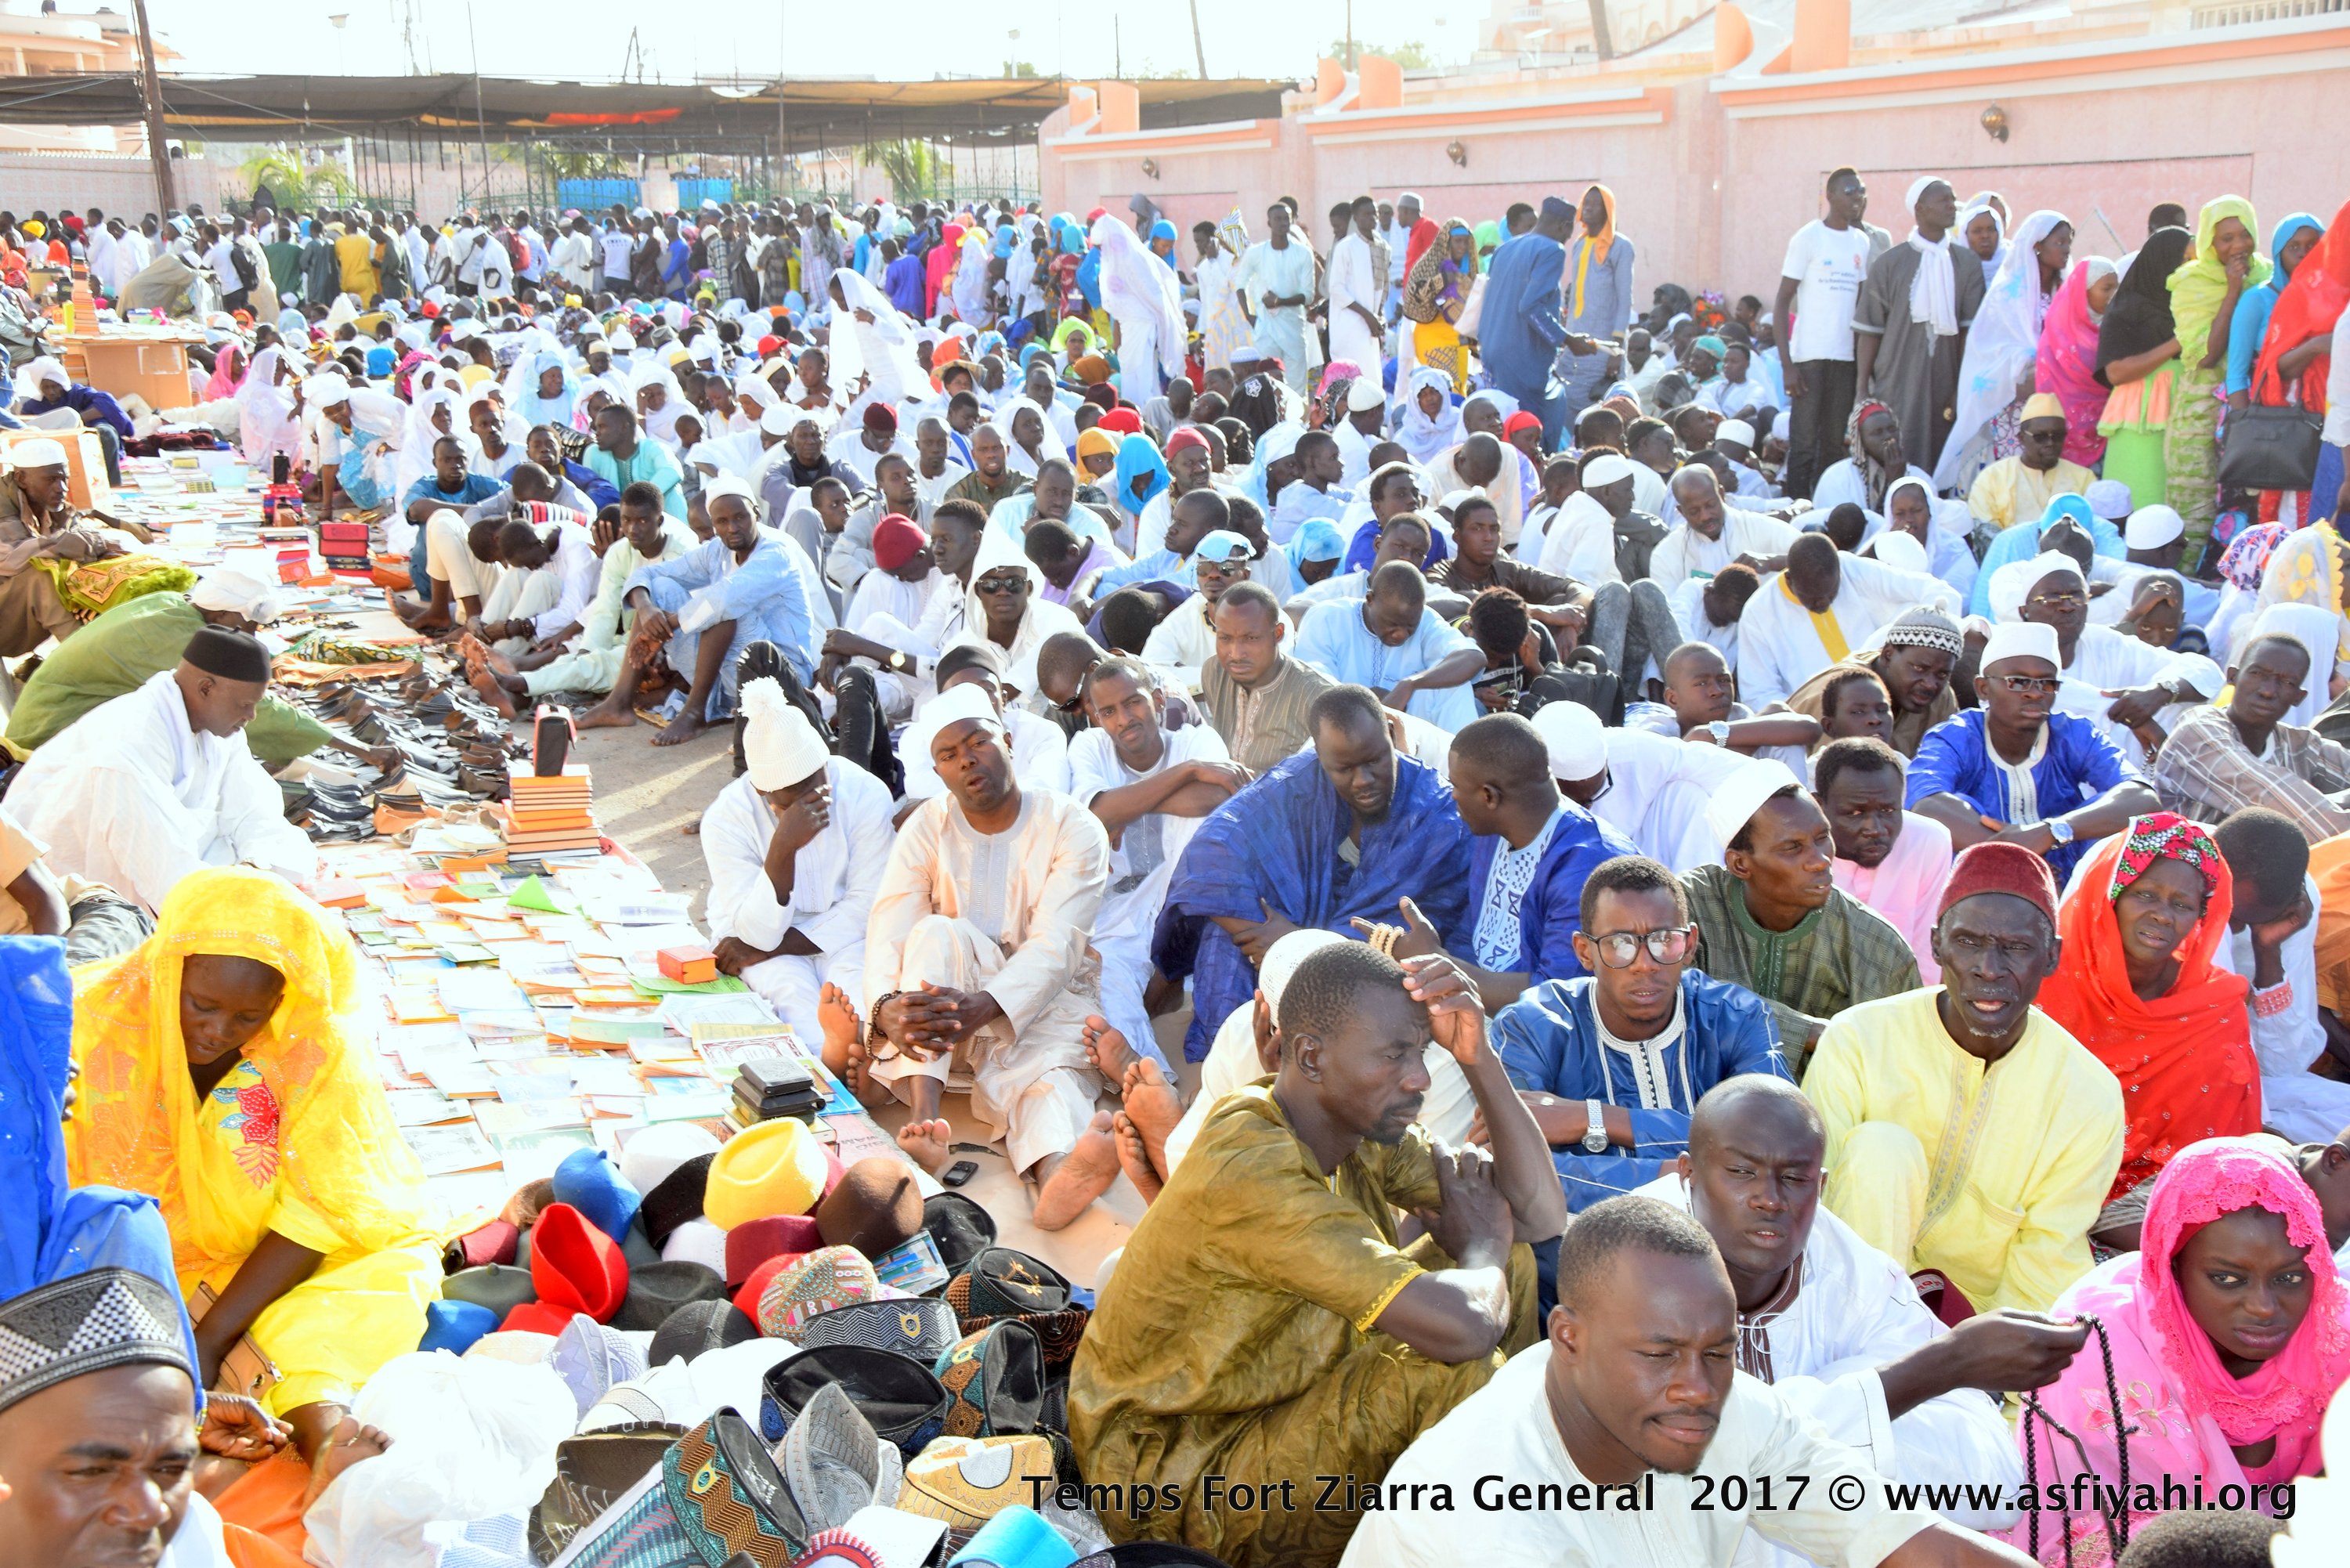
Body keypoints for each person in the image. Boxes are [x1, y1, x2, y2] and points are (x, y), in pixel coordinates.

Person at [1072, 944, 1567, 1568]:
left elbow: (1537, 1215)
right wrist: (1484, 1248)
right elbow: (1466, 1327)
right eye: (1394, 1056)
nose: (1417, 1077)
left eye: (1421, 1053)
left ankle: (1483, 1523)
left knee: (1514, 1269)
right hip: (1173, 1478)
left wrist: (1479, 1059)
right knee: (1455, 1359)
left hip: (1278, 1398)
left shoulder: (1355, 1122)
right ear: (1310, 1056)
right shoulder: (1252, 1164)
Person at [1341, 1194, 2041, 1568]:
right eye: (1660, 1353)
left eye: (1718, 1351)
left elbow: (1917, 1549)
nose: (1697, 1387)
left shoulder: (1725, 1415)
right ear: (1569, 1340)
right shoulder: (1492, 1528)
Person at [68, 869, 442, 1457]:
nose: (217, 1032)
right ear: (169, 969)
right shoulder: (93, 1021)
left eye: (248, 1018)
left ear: (282, 1000)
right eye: (201, 1005)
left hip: (278, 1254)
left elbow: (324, 1208)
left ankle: (324, 1432)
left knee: (375, 1279)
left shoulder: (315, 1043)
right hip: (144, 1256)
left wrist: (212, 1339)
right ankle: (317, 1434)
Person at [1642, 1078, 2059, 1559]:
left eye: (1795, 1179)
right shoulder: (1631, 1263)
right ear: (1688, 1173)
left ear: (1820, 1187)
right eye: (1741, 1171)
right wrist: (1927, 1372)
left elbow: (1994, 1482)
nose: (1770, 1199)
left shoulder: (1852, 1272)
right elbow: (1685, 1465)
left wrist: (1832, 1417)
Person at [1808, 842, 2126, 1314]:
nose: (1988, 968)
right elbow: (1814, 1198)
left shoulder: (2088, 1094)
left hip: (1978, 1319)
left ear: (2053, 956)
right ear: (1936, 942)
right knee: (1881, 1149)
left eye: (2016, 949)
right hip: (1845, 1299)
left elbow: (2046, 1256)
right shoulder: (1860, 1038)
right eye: (1968, 942)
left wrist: (2004, 1375)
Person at [2013, 1138, 2348, 1566]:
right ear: (2171, 1268)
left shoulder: (2336, 1331)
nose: (2264, 1307)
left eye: (2290, 1279)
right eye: (2227, 1279)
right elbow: (2075, 1520)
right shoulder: (2101, 1345)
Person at [859, 683, 1118, 1230]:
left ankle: (1056, 1176)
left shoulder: (1073, 827)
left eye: (977, 743)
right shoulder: (927, 826)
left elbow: (1057, 944)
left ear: (1006, 741)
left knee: (1048, 1079)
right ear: (938, 770)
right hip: (947, 1004)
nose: (966, 760)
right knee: (932, 934)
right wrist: (885, 1009)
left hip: (1042, 1001)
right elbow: (890, 925)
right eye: (948, 756)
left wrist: (988, 1005)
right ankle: (926, 1126)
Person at [1155, 684, 1473, 1062]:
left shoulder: (1435, 814)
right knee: (1223, 940)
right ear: (1320, 758)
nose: (1363, 780)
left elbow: (1419, 939)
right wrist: (1261, 935)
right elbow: (1213, 848)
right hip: (1289, 937)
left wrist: (1295, 944)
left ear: (1391, 736)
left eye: (1374, 761)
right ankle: (1229, 1069)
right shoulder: (1299, 780)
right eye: (1344, 768)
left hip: (1378, 971)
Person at [1494, 851, 1789, 1223]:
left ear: (1690, 944)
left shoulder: (1736, 1017)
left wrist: (1595, 1118)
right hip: (1578, 1246)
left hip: (1726, 1242)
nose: (1645, 962)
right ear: (1585, 951)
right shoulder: (1535, 1026)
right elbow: (1510, 1169)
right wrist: (1680, 1177)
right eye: (1619, 943)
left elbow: (1775, 1140)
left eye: (1665, 939)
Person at [2040, 812, 2260, 1223]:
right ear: (2113, 895)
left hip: (2161, 1206)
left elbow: (2216, 1160)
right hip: (2036, 1188)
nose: (2163, 915)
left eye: (2182, 905)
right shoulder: (2049, 978)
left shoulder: (2213, 1008)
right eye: (2146, 895)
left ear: (2200, 919)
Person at [2, 629, 314, 918]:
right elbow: (165, 880)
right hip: (70, 895)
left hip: (169, 872)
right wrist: (240, 890)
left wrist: (257, 865)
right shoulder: (127, 746)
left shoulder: (220, 729)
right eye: (245, 704)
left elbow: (254, 811)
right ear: (206, 688)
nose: (251, 716)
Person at [1071, 655, 1249, 1064]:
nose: (1124, 719)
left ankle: (1171, 974)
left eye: (1133, 703)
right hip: (1120, 909)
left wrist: (1125, 806)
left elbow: (1219, 798)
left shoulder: (1193, 741)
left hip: (1190, 903)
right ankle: (1152, 1079)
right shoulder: (1090, 746)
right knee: (1111, 995)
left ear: (1155, 699)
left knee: (1209, 828)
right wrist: (1186, 772)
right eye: (1109, 711)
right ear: (1097, 718)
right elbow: (1097, 813)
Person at [1, 569, 364, 771]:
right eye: (248, 626)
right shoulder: (180, 639)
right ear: (220, 615)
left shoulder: (172, 605)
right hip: (46, 742)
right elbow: (251, 710)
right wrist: (358, 749)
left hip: (48, 717)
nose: (251, 636)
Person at [703, 677, 893, 1052]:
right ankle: (836, 1065)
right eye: (793, 797)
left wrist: (770, 948)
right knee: (794, 1006)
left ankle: (852, 1059)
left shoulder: (865, 792)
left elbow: (866, 905)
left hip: (844, 935)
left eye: (816, 783)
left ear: (826, 759)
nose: (812, 802)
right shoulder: (726, 818)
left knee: (863, 1000)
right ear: (761, 790)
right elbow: (754, 932)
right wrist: (783, 848)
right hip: (751, 935)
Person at [1682, 764, 1922, 1061]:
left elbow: (1901, 1058)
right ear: (1740, 864)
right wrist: (1808, 1033)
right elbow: (1671, 993)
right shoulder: (1688, 906)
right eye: (1793, 848)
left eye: (1822, 837)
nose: (1820, 860)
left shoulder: (1880, 949)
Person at [1907, 622, 2157, 882]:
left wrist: (2052, 831)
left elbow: (2143, 797)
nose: (2035, 694)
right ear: (1983, 688)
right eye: (2018, 682)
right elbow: (1926, 804)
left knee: (2113, 814)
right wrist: (2017, 858)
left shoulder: (2073, 733)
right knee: (1955, 810)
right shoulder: (1957, 735)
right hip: (1983, 873)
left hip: (2066, 876)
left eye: (2046, 684)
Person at [580, 478, 821, 746]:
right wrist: (647, 611)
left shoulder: (776, 554)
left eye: (740, 517)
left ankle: (695, 712)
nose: (732, 528)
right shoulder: (717, 551)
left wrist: (666, 625)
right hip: (733, 679)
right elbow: (649, 573)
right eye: (721, 521)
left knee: (721, 610)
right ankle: (619, 702)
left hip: (781, 678)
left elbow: (724, 599)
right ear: (714, 524)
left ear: (757, 513)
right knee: (660, 588)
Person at [2213, 808, 2350, 1145]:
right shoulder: (2173, 889)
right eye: (2229, 917)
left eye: (2242, 923)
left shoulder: (2298, 904)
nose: (2230, 933)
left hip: (2243, 1071)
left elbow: (2283, 1064)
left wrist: (2268, 953)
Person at [2149, 631, 2350, 840]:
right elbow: (2268, 795)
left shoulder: (2302, 745)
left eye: (2287, 682)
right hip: (2190, 869)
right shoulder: (2198, 730)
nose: (2268, 691)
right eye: (2257, 674)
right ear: (2233, 677)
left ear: (2299, 697)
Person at [1853, 179, 1986, 475]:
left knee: (1943, 452)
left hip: (1946, 378)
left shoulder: (1966, 263)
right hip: (1895, 380)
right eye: (1944, 201)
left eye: (1953, 199)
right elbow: (1869, 331)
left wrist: (1960, 386)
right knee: (1897, 444)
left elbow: (1969, 332)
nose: (1952, 206)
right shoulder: (1889, 263)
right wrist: (1863, 387)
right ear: (1920, 209)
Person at [1737, 534, 1954, 708]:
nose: (1823, 603)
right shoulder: (1759, 612)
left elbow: (1940, 593)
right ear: (1789, 580)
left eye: (1831, 593)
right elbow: (1759, 693)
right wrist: (1808, 716)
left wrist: (1907, 637)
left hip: (1887, 698)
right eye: (1812, 597)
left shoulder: (1853, 569)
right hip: (1814, 718)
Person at [1940, 211, 2073, 490]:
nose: (2066, 249)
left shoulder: (2066, 293)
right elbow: (1992, 348)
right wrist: (2032, 365)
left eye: (2068, 242)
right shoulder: (2007, 295)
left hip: (2061, 399)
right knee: (2017, 480)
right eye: (2059, 242)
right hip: (2015, 400)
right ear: (2037, 245)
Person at [2168, 197, 2265, 561]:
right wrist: (2233, 291)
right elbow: (2207, 355)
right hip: (2201, 410)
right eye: (2226, 238)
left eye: (2244, 235)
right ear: (2209, 242)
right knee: (2197, 510)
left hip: (2249, 410)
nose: (2237, 246)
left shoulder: (2269, 277)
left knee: (2246, 508)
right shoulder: (2190, 283)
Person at [1816, 735, 1954, 982]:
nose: (1875, 828)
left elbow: (1927, 953)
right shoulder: (1799, 850)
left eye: (1888, 811)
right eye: (1855, 813)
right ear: (1819, 806)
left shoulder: (1928, 841)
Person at [1776, 169, 1879, 499]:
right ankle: (1795, 508)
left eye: (1861, 192)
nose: (1857, 198)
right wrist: (1787, 365)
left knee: (1834, 444)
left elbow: (1862, 307)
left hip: (1845, 358)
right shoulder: (1808, 238)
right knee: (1804, 442)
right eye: (1850, 191)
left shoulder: (1861, 242)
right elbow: (1781, 302)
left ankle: (1826, 508)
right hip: (1809, 358)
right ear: (1830, 195)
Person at [1292, 561, 1484, 732]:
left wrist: (1409, 685)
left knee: (1453, 685)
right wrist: (1373, 702)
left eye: (1410, 626)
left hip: (1409, 736)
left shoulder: (1426, 620)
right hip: (1340, 734)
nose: (1401, 634)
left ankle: (1459, 768)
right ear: (1370, 600)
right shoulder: (1327, 618)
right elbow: (1313, 686)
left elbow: (1473, 656)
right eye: (1392, 624)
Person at [2095, 227, 2193, 511]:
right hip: (2142, 416)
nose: (2188, 269)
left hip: (2184, 411)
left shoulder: (2190, 307)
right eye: (2182, 261)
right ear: (2162, 261)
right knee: (2145, 501)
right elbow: (2115, 372)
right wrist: (2176, 344)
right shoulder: (2127, 308)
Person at [0, 435, 124, 656]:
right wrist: (71, 544)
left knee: (106, 566)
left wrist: (100, 552)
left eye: (64, 479)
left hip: (12, 611)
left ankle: (108, 649)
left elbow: (81, 535)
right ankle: (83, 658)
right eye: (51, 480)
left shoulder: (47, 503)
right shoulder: (3, 506)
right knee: (42, 576)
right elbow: (11, 560)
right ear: (21, 478)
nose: (62, 488)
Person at [1199, 580, 1336, 773]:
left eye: (1251, 638)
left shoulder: (1319, 696)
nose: (1236, 654)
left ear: (1278, 634)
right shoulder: (1214, 672)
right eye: (1225, 638)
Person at [1480, 197, 1582, 450]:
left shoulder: (1505, 248)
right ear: (1563, 226)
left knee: (1504, 428)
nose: (1569, 237)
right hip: (1522, 357)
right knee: (1529, 436)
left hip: (1492, 353)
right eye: (1570, 230)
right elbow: (1530, 307)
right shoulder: (1552, 250)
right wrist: (1567, 340)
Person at [1647, 464, 1797, 587]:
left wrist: (1772, 562)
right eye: (1694, 511)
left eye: (1710, 505)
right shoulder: (1666, 554)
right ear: (1681, 511)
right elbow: (1672, 615)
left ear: (1721, 494)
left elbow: (1816, 558)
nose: (1705, 516)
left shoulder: (1760, 528)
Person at [1964, 394, 2096, 532]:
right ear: (2021, 438)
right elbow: (1986, 534)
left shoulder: (2084, 478)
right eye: (2040, 437)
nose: (2050, 443)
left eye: (2057, 436)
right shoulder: (1992, 478)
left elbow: (2095, 529)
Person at [1557, 186, 1634, 417]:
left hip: (1603, 347)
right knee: (1566, 405)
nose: (1588, 207)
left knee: (1598, 411)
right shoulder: (1579, 244)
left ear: (1608, 210)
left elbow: (1624, 301)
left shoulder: (1621, 246)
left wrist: (1617, 350)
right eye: (1586, 202)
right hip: (1575, 342)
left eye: (1596, 203)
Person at [1231, 203, 1315, 392]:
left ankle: (1298, 421)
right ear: (1269, 222)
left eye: (1287, 219)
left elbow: (1308, 296)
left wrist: (1280, 302)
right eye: (1278, 219)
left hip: (1294, 327)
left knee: (1297, 384)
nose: (1283, 223)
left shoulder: (1303, 253)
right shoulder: (1256, 253)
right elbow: (1240, 285)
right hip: (1265, 327)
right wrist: (1249, 316)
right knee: (1268, 383)